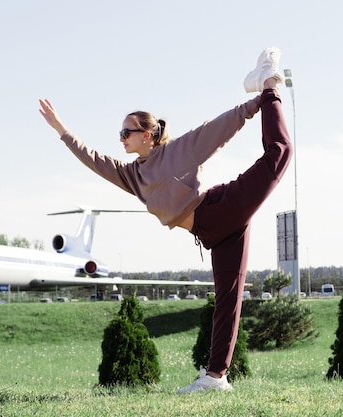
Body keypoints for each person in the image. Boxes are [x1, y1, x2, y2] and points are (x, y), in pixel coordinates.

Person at [39, 47, 293, 393]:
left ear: (147, 134)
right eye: (120, 134)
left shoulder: (176, 153)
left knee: (279, 154)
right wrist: (61, 129)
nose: (121, 139)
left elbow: (217, 129)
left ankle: (270, 82)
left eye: (126, 132)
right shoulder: (132, 176)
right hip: (213, 233)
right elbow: (94, 159)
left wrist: (259, 101)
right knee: (227, 300)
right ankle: (216, 377)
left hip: (220, 209)